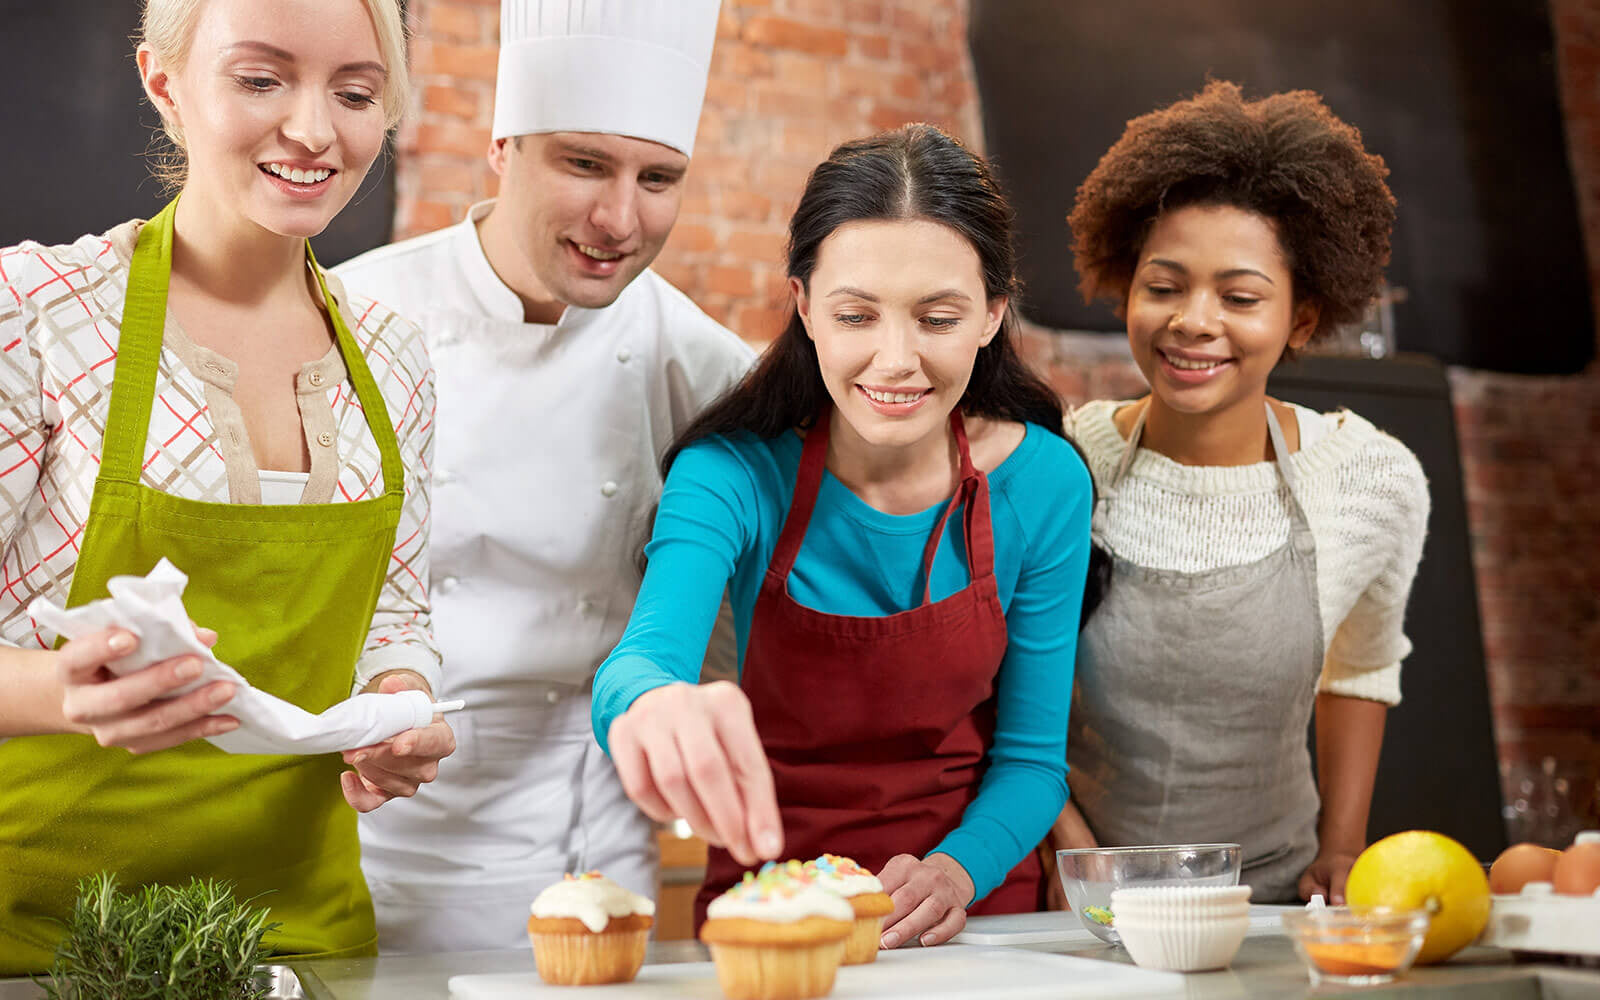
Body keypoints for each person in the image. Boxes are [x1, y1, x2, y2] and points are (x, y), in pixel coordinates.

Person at [0, 0, 452, 972]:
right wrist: (55, 690)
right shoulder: (40, 313)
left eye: (356, 92)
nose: (314, 131)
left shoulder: (394, 357)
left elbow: (393, 616)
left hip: (295, 938)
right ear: (164, 84)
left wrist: (397, 702)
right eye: (261, 79)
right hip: (36, 942)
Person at [593, 123, 1097, 950]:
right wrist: (650, 703)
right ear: (804, 308)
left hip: (972, 916)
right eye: (856, 314)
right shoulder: (732, 473)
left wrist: (953, 873)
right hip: (771, 909)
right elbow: (642, 660)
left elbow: (1034, 763)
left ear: (992, 314)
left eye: (937, 318)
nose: (895, 360)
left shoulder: (1045, 482)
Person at [332, 0, 754, 953]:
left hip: (589, 863)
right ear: (502, 146)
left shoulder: (705, 364)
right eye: (584, 163)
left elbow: (721, 627)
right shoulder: (359, 315)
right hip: (363, 841)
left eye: (659, 178)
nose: (620, 218)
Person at [1046, 80, 1429, 905]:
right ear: (1126, 286)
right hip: (1083, 907)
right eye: (1164, 285)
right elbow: (1001, 686)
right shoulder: (1060, 464)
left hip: (1277, 902)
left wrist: (1344, 845)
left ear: (1300, 317)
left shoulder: (1369, 481)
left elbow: (1360, 666)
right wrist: (1072, 862)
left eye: (1240, 296)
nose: (1193, 320)